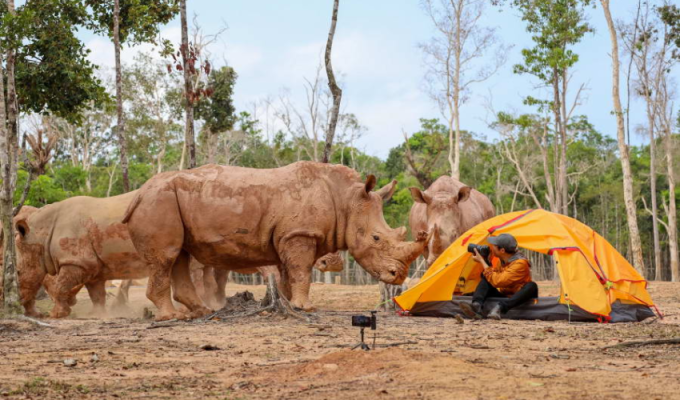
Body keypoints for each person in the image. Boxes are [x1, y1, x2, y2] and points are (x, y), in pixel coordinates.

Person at [459, 233, 538, 320]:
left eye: (494, 246)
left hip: (518, 298)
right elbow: (491, 275)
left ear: (502, 250)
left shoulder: (520, 263)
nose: (491, 247)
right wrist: (486, 260)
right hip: (505, 296)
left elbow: (498, 281)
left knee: (532, 286)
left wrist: (481, 261)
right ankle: (476, 306)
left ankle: (500, 308)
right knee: (487, 278)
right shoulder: (503, 260)